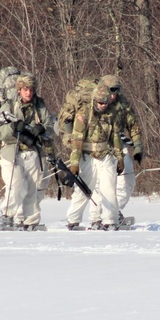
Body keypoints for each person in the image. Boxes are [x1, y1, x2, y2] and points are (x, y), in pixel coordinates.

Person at [0, 72, 55, 230]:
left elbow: (50, 126)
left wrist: (42, 128)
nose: (28, 92)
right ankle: (7, 216)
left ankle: (30, 221)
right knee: (15, 185)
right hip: (11, 153)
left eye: (31, 89)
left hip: (33, 152)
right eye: (25, 89)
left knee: (35, 186)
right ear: (19, 89)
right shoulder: (9, 106)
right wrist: (12, 127)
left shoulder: (39, 106)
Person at [86, 75, 144, 229]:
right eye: (111, 90)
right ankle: (97, 217)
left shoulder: (122, 103)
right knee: (102, 184)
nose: (113, 95)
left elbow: (133, 125)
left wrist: (137, 145)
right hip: (99, 149)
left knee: (128, 180)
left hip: (119, 146)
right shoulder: (94, 103)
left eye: (116, 91)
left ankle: (113, 210)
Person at [66, 82, 125, 230]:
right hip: (88, 156)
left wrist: (120, 158)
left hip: (105, 155)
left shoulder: (112, 113)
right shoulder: (83, 113)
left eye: (105, 102)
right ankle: (73, 220)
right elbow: (77, 139)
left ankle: (110, 220)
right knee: (84, 189)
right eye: (100, 102)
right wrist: (75, 163)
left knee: (109, 189)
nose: (103, 105)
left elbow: (116, 136)